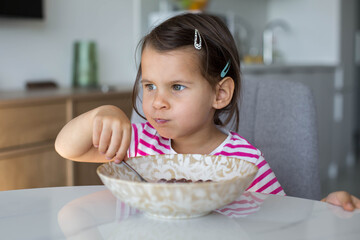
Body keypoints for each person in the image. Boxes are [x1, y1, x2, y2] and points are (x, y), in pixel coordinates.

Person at [55, 13, 359, 211]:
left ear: (220, 93)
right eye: (149, 86)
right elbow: (67, 147)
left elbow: (280, 220)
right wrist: (103, 113)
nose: (158, 101)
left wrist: (324, 209)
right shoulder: (137, 143)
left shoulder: (243, 162)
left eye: (176, 87)